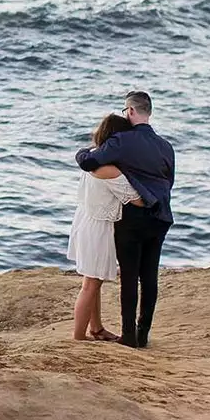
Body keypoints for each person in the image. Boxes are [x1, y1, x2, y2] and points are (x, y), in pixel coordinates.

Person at [75, 90, 175, 349]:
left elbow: (89, 162)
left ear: (130, 111)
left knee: (130, 276)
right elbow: (169, 181)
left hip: (134, 218)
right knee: (150, 276)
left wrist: (82, 152)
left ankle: (129, 335)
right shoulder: (166, 146)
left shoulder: (122, 141)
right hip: (161, 216)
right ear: (148, 112)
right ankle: (143, 334)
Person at [68, 112, 141, 342]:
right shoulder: (109, 170)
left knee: (92, 281)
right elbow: (136, 198)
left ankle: (96, 329)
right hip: (98, 228)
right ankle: (78, 337)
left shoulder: (91, 157)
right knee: (90, 285)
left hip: (85, 220)